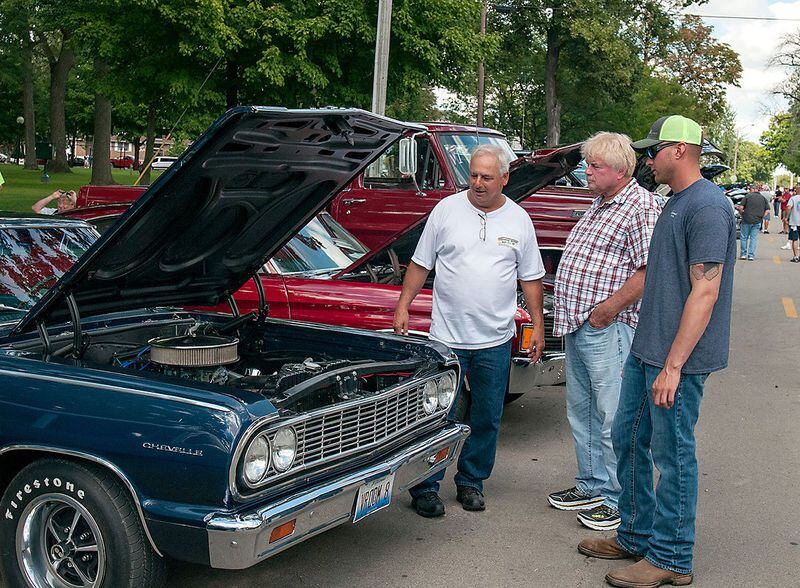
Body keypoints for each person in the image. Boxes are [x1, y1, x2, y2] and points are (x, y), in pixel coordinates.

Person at [578, 115, 735, 588]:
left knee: (673, 454)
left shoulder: (707, 206)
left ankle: (670, 556)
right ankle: (635, 533)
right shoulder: (675, 202)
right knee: (627, 438)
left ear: (680, 150)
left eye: (654, 150)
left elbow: (704, 292)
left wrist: (673, 365)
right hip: (648, 351)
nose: (648, 159)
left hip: (677, 362)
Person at [393, 144, 546, 517]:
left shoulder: (519, 220)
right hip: (445, 338)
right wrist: (403, 306)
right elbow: (419, 264)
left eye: (486, 177)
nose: (477, 183)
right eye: (473, 175)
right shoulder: (446, 211)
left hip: (494, 339)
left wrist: (539, 324)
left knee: (487, 415)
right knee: (435, 413)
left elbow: (531, 278)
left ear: (504, 179)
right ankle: (426, 486)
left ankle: (471, 481)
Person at [549, 132, 660, 532]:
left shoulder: (640, 207)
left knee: (614, 416)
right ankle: (592, 483)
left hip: (607, 326)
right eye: (588, 164)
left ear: (619, 169)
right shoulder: (600, 202)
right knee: (582, 410)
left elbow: (648, 271)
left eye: (594, 166)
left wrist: (606, 311)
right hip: (580, 323)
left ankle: (619, 498)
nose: (586, 171)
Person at [737, 184, 769, 260]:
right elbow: (767, 210)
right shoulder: (763, 198)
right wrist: (762, 216)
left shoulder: (747, 196)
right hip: (757, 221)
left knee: (744, 237)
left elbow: (740, 208)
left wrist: (742, 214)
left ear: (752, 189)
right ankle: (751, 255)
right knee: (753, 238)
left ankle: (743, 254)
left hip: (746, 220)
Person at [787, 189, 800, 262]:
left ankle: (795, 257)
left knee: (794, 239)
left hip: (794, 222)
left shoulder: (793, 198)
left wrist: (786, 217)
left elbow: (788, 207)